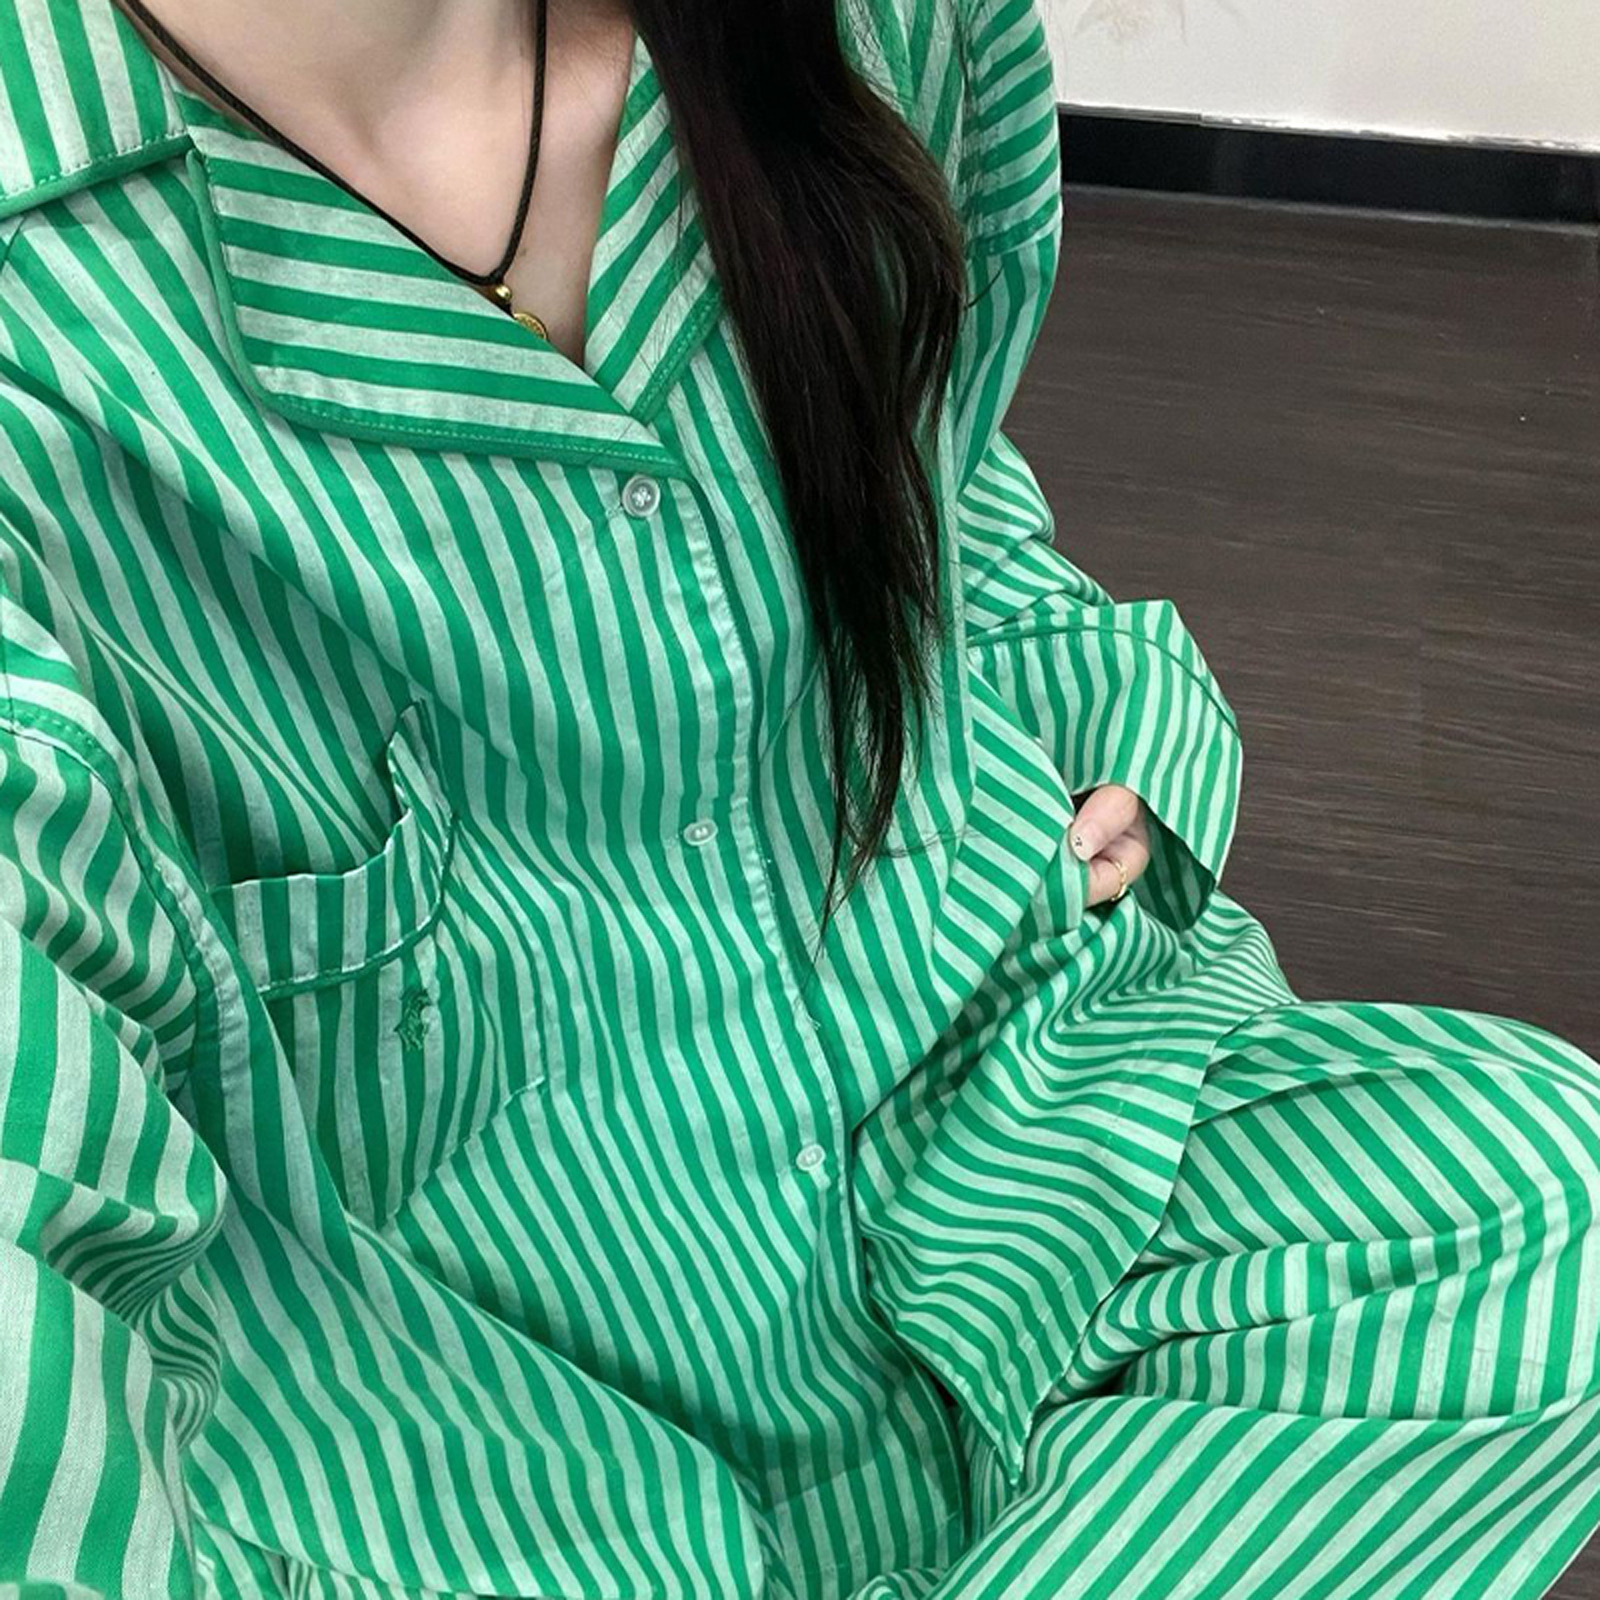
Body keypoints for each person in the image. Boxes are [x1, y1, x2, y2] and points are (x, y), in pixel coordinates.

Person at [0, 0, 1596, 1594]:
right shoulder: (46, 324)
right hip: (495, 1428)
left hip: (999, 1098)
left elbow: (935, 456)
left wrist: (1089, 708)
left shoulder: (887, 31)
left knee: (1537, 1220)